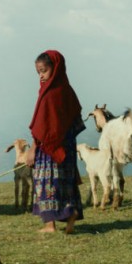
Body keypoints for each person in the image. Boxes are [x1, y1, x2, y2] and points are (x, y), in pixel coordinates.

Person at [26, 50, 85, 234]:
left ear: (55, 68)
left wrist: (33, 149)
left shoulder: (49, 94)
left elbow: (42, 127)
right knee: (65, 182)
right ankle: (71, 213)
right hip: (67, 148)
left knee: (46, 182)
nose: (41, 76)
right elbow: (75, 121)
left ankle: (49, 225)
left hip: (48, 150)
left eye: (44, 71)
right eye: (38, 72)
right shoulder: (67, 91)